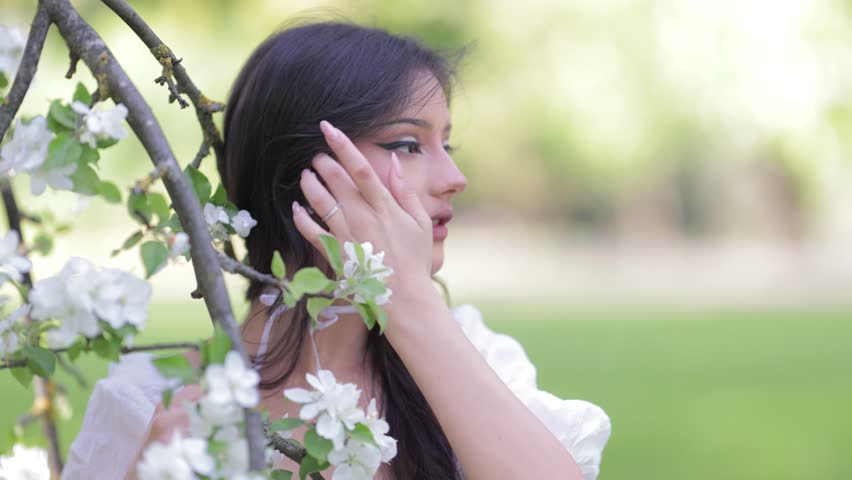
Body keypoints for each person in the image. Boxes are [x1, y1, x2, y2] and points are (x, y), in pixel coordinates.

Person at [63, 21, 611, 480]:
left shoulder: (476, 359)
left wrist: (410, 300)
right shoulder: (151, 402)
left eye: (449, 144)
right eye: (407, 144)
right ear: (304, 171)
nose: (455, 177)